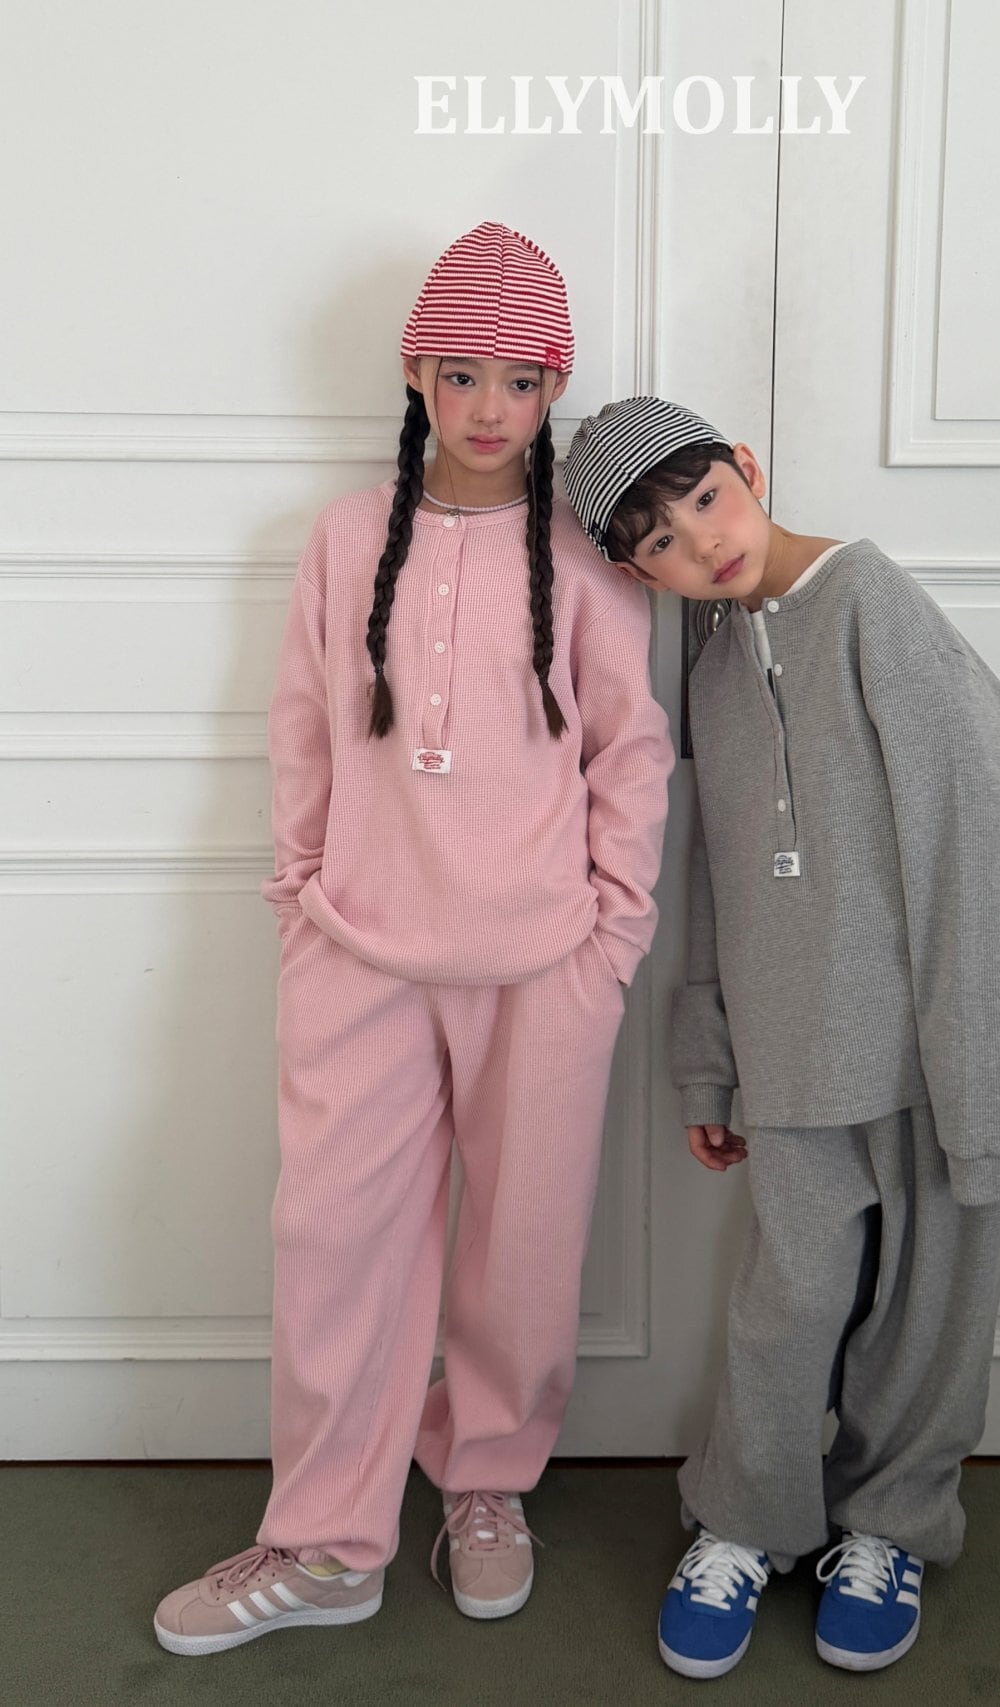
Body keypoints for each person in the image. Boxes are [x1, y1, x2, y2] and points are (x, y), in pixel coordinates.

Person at [153, 226, 674, 1656]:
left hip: (545, 962)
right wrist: (301, 895)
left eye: (520, 379)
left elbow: (632, 754)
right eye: (460, 375)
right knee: (333, 1243)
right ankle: (328, 1541)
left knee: (523, 1247)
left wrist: (612, 937)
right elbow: (303, 728)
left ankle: (487, 1478)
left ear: (553, 387)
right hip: (359, 950)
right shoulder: (340, 540)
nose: (489, 407)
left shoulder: (588, 556)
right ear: (414, 376)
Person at [562, 396, 1000, 1679]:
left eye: (704, 499)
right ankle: (743, 1521)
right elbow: (715, 875)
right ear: (637, 573)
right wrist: (708, 1060)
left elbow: (975, 837)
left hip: (939, 1048)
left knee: (927, 1314)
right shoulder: (710, 668)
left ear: (747, 466)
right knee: (784, 1310)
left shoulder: (870, 602)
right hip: (792, 1055)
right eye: (659, 540)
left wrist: (980, 1059)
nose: (701, 542)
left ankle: (888, 1526)